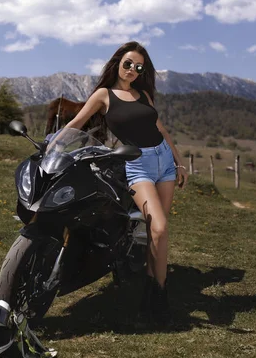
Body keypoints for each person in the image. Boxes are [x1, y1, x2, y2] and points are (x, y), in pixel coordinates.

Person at [53, 41, 188, 324]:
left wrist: (178, 161)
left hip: (164, 162)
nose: (132, 70)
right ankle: (154, 294)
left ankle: (156, 296)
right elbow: (77, 122)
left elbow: (160, 129)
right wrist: (53, 145)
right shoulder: (104, 95)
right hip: (137, 164)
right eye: (128, 63)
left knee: (158, 232)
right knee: (158, 226)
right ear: (117, 63)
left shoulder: (143, 95)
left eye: (138, 67)